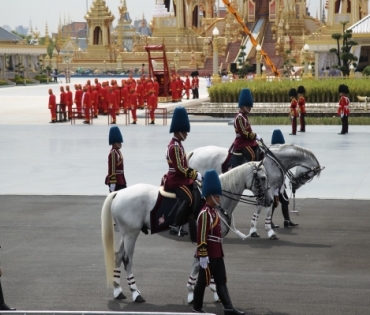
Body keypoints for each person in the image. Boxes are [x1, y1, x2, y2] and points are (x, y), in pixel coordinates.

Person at [192, 169, 244, 315]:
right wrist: (202, 255)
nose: (219, 199)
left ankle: (228, 307)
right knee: (202, 282)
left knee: (221, 280)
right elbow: (201, 236)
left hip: (217, 253)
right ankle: (196, 308)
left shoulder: (214, 211)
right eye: (217, 196)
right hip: (208, 254)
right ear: (210, 197)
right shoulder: (205, 213)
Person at [165, 107, 202, 236]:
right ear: (179, 131)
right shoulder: (174, 147)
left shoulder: (178, 145)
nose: (186, 134)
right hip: (175, 179)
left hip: (180, 178)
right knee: (188, 199)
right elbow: (179, 168)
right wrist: (195, 174)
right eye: (185, 131)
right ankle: (175, 225)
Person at [269, 129, 299, 229]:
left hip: (275, 181)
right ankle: (272, 222)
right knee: (279, 201)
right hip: (277, 182)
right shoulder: (283, 151)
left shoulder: (270, 151)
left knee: (282, 201)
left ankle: (286, 220)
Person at [228, 88, 262, 169]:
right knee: (252, 155)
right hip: (242, 142)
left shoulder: (244, 116)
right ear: (243, 106)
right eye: (248, 106)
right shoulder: (239, 117)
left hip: (248, 141)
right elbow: (244, 133)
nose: (250, 108)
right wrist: (255, 136)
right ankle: (247, 171)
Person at [105, 126, 127, 192]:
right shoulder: (113, 153)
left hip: (121, 180)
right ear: (115, 143)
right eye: (119, 142)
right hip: (116, 181)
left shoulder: (118, 152)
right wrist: (113, 183)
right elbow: (112, 169)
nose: (120, 144)